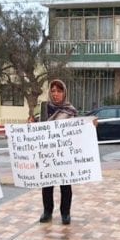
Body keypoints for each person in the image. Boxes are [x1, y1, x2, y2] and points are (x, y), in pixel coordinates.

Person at [34, 79, 77, 225]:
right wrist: (31, 124)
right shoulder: (43, 109)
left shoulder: (70, 111)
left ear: (64, 93)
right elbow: (36, 128)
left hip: (64, 155)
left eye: (59, 91)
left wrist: (92, 125)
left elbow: (80, 131)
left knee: (65, 186)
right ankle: (47, 212)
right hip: (47, 154)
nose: (56, 94)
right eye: (53, 91)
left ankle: (65, 213)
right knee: (47, 185)